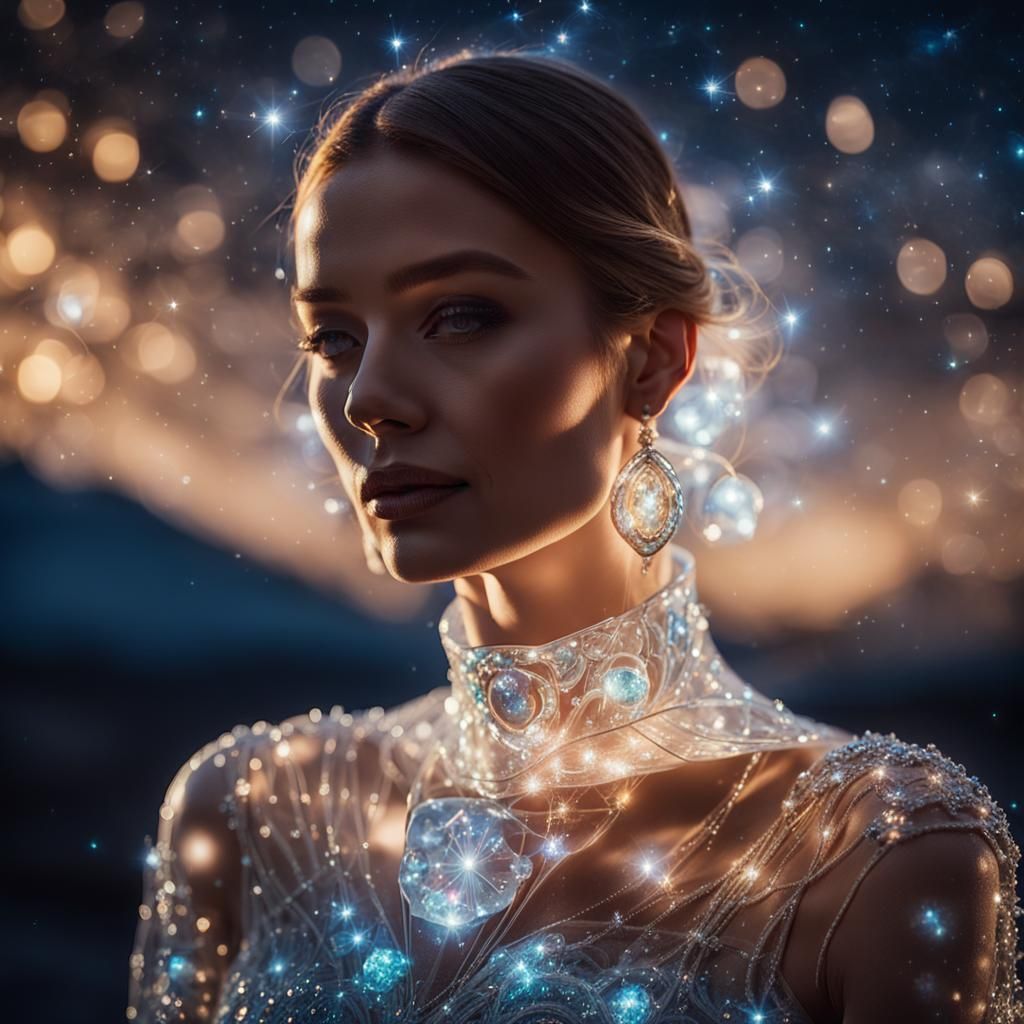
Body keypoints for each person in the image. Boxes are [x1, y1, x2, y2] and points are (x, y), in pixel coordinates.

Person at [127, 51, 1023, 1023]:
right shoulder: (252, 817)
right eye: (333, 337)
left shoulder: (871, 855)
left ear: (650, 360)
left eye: (458, 316)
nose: (368, 397)